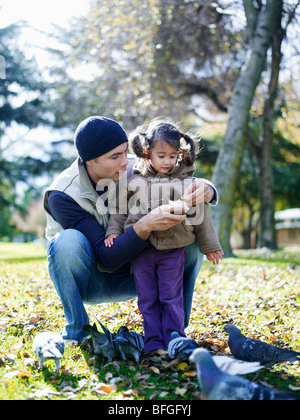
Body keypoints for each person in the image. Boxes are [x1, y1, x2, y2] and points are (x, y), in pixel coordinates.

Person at [43, 116, 219, 344]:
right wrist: (146, 224)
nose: (125, 162)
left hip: (142, 273)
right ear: (89, 161)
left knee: (189, 233)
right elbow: (106, 259)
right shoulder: (63, 195)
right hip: (92, 280)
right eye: (115, 156)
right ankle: (78, 331)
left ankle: (174, 333)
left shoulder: (135, 166)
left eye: (125, 151)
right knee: (66, 241)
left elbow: (181, 177)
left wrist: (208, 189)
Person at [105, 120, 223, 351]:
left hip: (173, 249)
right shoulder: (133, 181)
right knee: (147, 298)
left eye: (173, 155)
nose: (168, 161)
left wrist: (210, 245)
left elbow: (201, 215)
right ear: (147, 154)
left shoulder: (186, 182)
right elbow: (119, 211)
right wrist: (113, 232)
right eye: (162, 156)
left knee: (170, 295)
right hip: (141, 250)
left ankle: (174, 336)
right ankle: (153, 340)